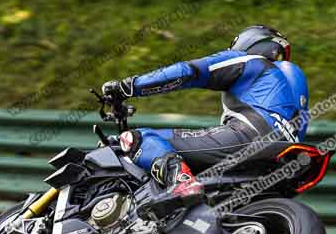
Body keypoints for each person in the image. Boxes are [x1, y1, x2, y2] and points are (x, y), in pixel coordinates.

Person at [101, 25, 309, 220]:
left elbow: (189, 72)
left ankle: (180, 182)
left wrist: (130, 86)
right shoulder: (291, 88)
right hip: (284, 158)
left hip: (247, 137)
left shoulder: (251, 62)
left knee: (138, 138)